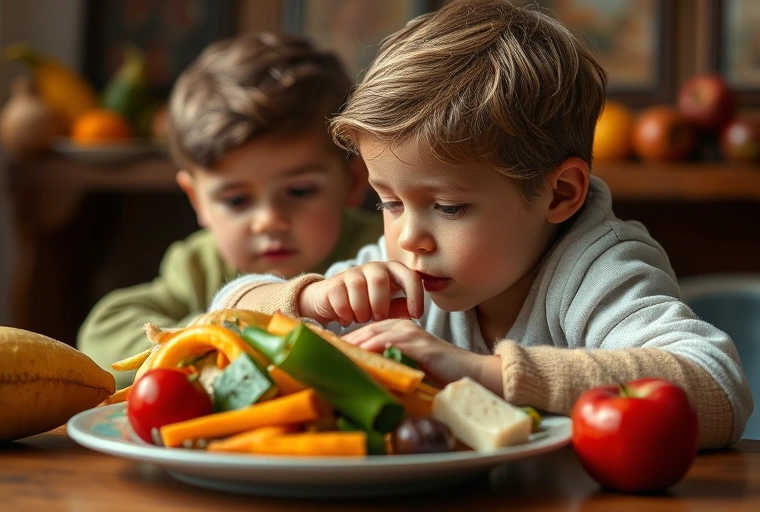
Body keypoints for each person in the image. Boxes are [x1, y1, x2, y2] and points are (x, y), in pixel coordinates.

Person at [208, 0, 752, 449]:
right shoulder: (398, 268)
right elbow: (218, 327)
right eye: (389, 203)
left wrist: (483, 373)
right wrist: (308, 301)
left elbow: (718, 388)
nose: (407, 238)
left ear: (559, 193)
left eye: (447, 207)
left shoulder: (599, 268)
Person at [78, 33, 382, 387]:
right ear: (197, 200)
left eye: (299, 191)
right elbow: (101, 336)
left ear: (353, 181)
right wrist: (222, 332)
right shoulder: (198, 264)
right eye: (237, 200)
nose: (269, 220)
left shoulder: (383, 251)